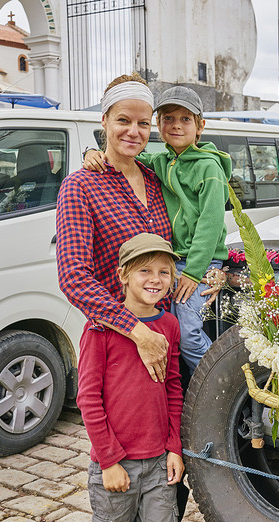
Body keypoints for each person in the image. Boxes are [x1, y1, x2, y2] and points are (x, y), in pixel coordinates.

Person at [56, 74, 191, 522]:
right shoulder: (81, 185)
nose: (133, 131)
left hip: (164, 334)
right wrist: (134, 329)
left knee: (165, 477)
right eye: (123, 120)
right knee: (119, 494)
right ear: (104, 123)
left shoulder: (155, 180)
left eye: (142, 122)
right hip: (119, 342)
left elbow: (171, 250)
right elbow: (74, 276)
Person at [84, 85, 230, 375]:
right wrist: (91, 152)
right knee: (178, 334)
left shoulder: (209, 168)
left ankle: (219, 384)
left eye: (185, 119)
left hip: (194, 266)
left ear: (201, 126)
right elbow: (126, 158)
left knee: (187, 335)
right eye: (168, 118)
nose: (176, 125)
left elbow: (211, 224)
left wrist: (197, 271)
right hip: (168, 275)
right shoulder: (160, 163)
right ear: (159, 125)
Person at [78, 233, 184, 522]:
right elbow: (88, 398)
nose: (155, 279)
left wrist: (174, 448)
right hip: (115, 468)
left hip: (158, 466)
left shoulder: (169, 325)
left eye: (164, 272)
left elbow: (173, 387)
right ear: (123, 274)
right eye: (144, 270)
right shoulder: (99, 329)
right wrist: (108, 461)